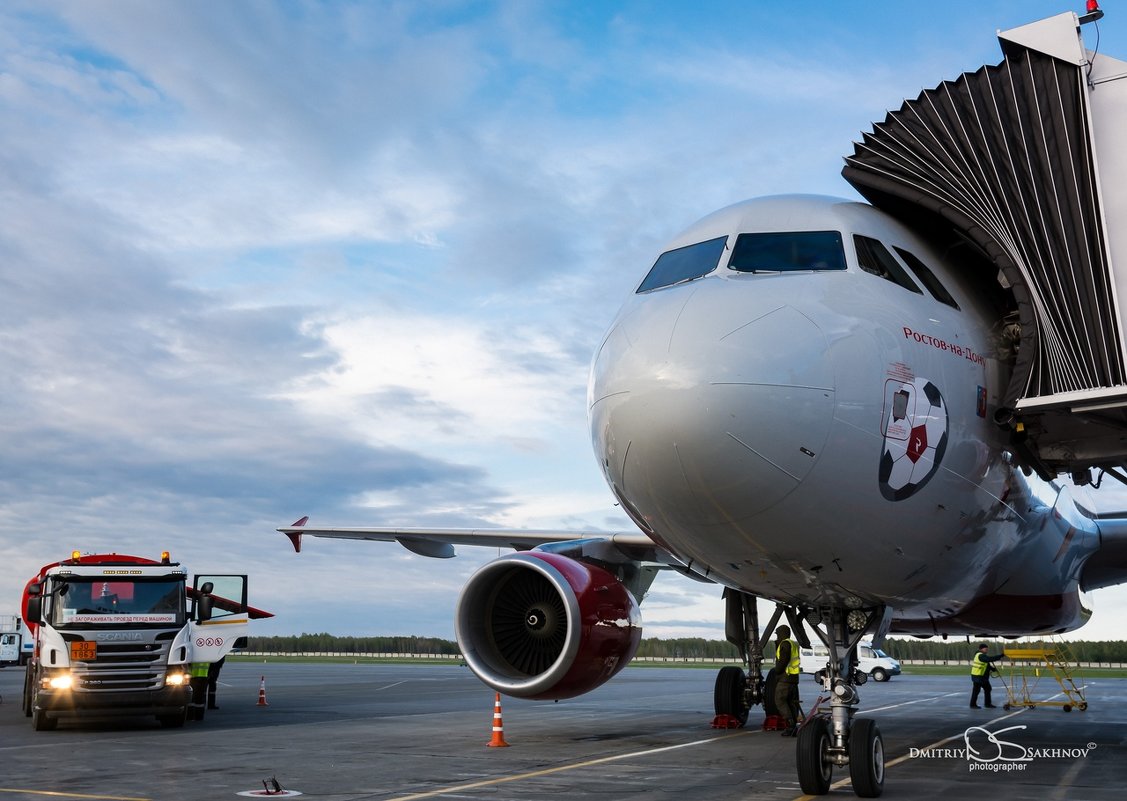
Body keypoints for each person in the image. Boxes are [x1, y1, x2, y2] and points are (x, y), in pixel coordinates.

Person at [773, 625, 802, 736]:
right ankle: (793, 727)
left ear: (782, 633)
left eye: (778, 634)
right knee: (791, 702)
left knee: (780, 700)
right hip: (793, 678)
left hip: (785, 677)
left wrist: (777, 671)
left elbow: (783, 660)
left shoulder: (785, 644)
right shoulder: (793, 643)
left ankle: (790, 725)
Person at [969, 643, 1003, 708]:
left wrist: (993, 669)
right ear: (981, 649)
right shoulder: (980, 655)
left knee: (988, 689)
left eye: (987, 649)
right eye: (986, 649)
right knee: (976, 691)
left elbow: (986, 664)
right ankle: (973, 704)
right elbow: (989, 659)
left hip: (982, 677)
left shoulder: (982, 655)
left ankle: (987, 704)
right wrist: (1000, 656)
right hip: (978, 676)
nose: (987, 650)